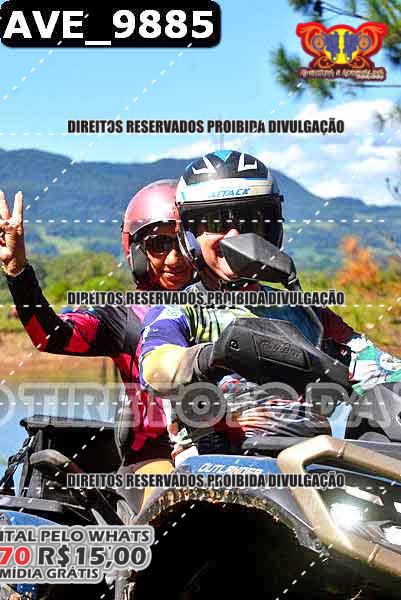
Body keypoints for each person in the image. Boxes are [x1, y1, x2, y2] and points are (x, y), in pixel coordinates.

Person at [139, 150, 401, 458]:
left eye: (250, 220)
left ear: (272, 230)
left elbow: (380, 367)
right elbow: (153, 367)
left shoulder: (305, 312)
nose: (234, 235)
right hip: (213, 462)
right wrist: (212, 354)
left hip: (308, 461)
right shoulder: (180, 308)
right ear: (190, 235)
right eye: (216, 222)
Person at [0, 180, 193, 463]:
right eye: (159, 245)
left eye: (184, 242)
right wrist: (17, 271)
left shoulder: (229, 304)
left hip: (224, 454)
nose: (175, 259)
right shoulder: (124, 315)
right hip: (155, 461)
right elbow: (50, 335)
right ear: (137, 251)